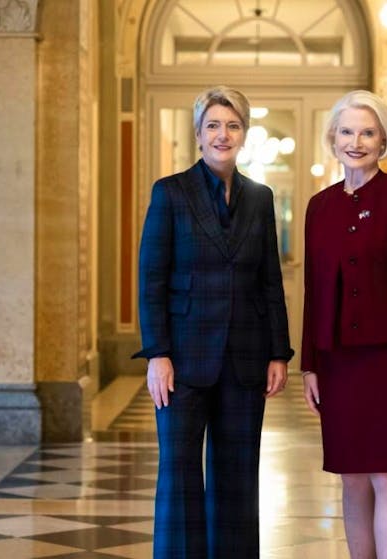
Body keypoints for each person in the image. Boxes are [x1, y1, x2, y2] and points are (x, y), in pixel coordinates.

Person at [133, 85, 294, 559]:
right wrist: (157, 354)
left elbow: (270, 280)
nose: (223, 134)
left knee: (238, 475)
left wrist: (278, 352)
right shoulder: (171, 193)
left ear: (244, 133)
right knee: (179, 471)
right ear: (198, 135)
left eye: (233, 125)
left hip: (245, 359)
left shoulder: (260, 199)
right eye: (213, 125)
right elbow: (151, 279)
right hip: (182, 361)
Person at [300, 90, 387, 558]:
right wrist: (310, 365)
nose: (356, 141)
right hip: (337, 363)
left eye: (367, 132)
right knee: (352, 477)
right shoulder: (319, 207)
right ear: (332, 140)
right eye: (346, 131)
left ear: (383, 141)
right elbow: (313, 291)